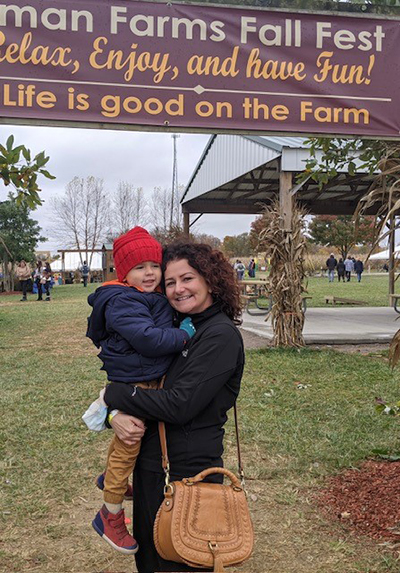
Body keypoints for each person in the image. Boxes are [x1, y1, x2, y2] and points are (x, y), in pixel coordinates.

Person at [104, 241, 244, 573]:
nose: (178, 289)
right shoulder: (176, 330)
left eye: (188, 279)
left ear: (210, 279)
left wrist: (113, 395)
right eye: (170, 282)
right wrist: (115, 416)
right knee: (150, 561)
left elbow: (178, 404)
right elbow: (144, 383)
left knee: (180, 563)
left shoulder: (219, 335)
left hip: (188, 475)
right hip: (152, 470)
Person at [86, 227, 196, 555]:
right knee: (128, 444)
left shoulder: (145, 295)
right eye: (139, 267)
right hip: (136, 381)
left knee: (126, 446)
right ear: (123, 272)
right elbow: (149, 339)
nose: (149, 273)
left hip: (142, 377)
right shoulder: (123, 301)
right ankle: (110, 514)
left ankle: (112, 477)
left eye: (154, 265)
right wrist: (184, 335)